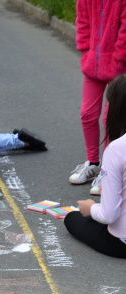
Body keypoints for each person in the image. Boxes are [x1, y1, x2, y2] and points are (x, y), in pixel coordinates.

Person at [64, 74, 126, 259]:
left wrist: (90, 208)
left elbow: (109, 215)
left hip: (121, 242)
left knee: (72, 218)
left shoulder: (116, 149)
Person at [69, 0, 126, 193]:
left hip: (118, 66)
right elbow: (82, 22)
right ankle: (93, 163)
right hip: (93, 64)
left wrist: (119, 58)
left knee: (111, 119)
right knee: (87, 114)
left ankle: (110, 171)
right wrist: (86, 51)